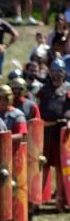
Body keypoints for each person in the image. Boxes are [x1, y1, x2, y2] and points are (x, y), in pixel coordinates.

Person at [37, 58, 70, 211]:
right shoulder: (44, 90)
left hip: (62, 132)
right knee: (42, 165)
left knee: (60, 166)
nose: (56, 75)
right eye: (54, 72)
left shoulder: (68, 89)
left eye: (59, 72)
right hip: (45, 131)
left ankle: (60, 200)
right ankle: (37, 200)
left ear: (64, 73)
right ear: (50, 73)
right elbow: (36, 108)